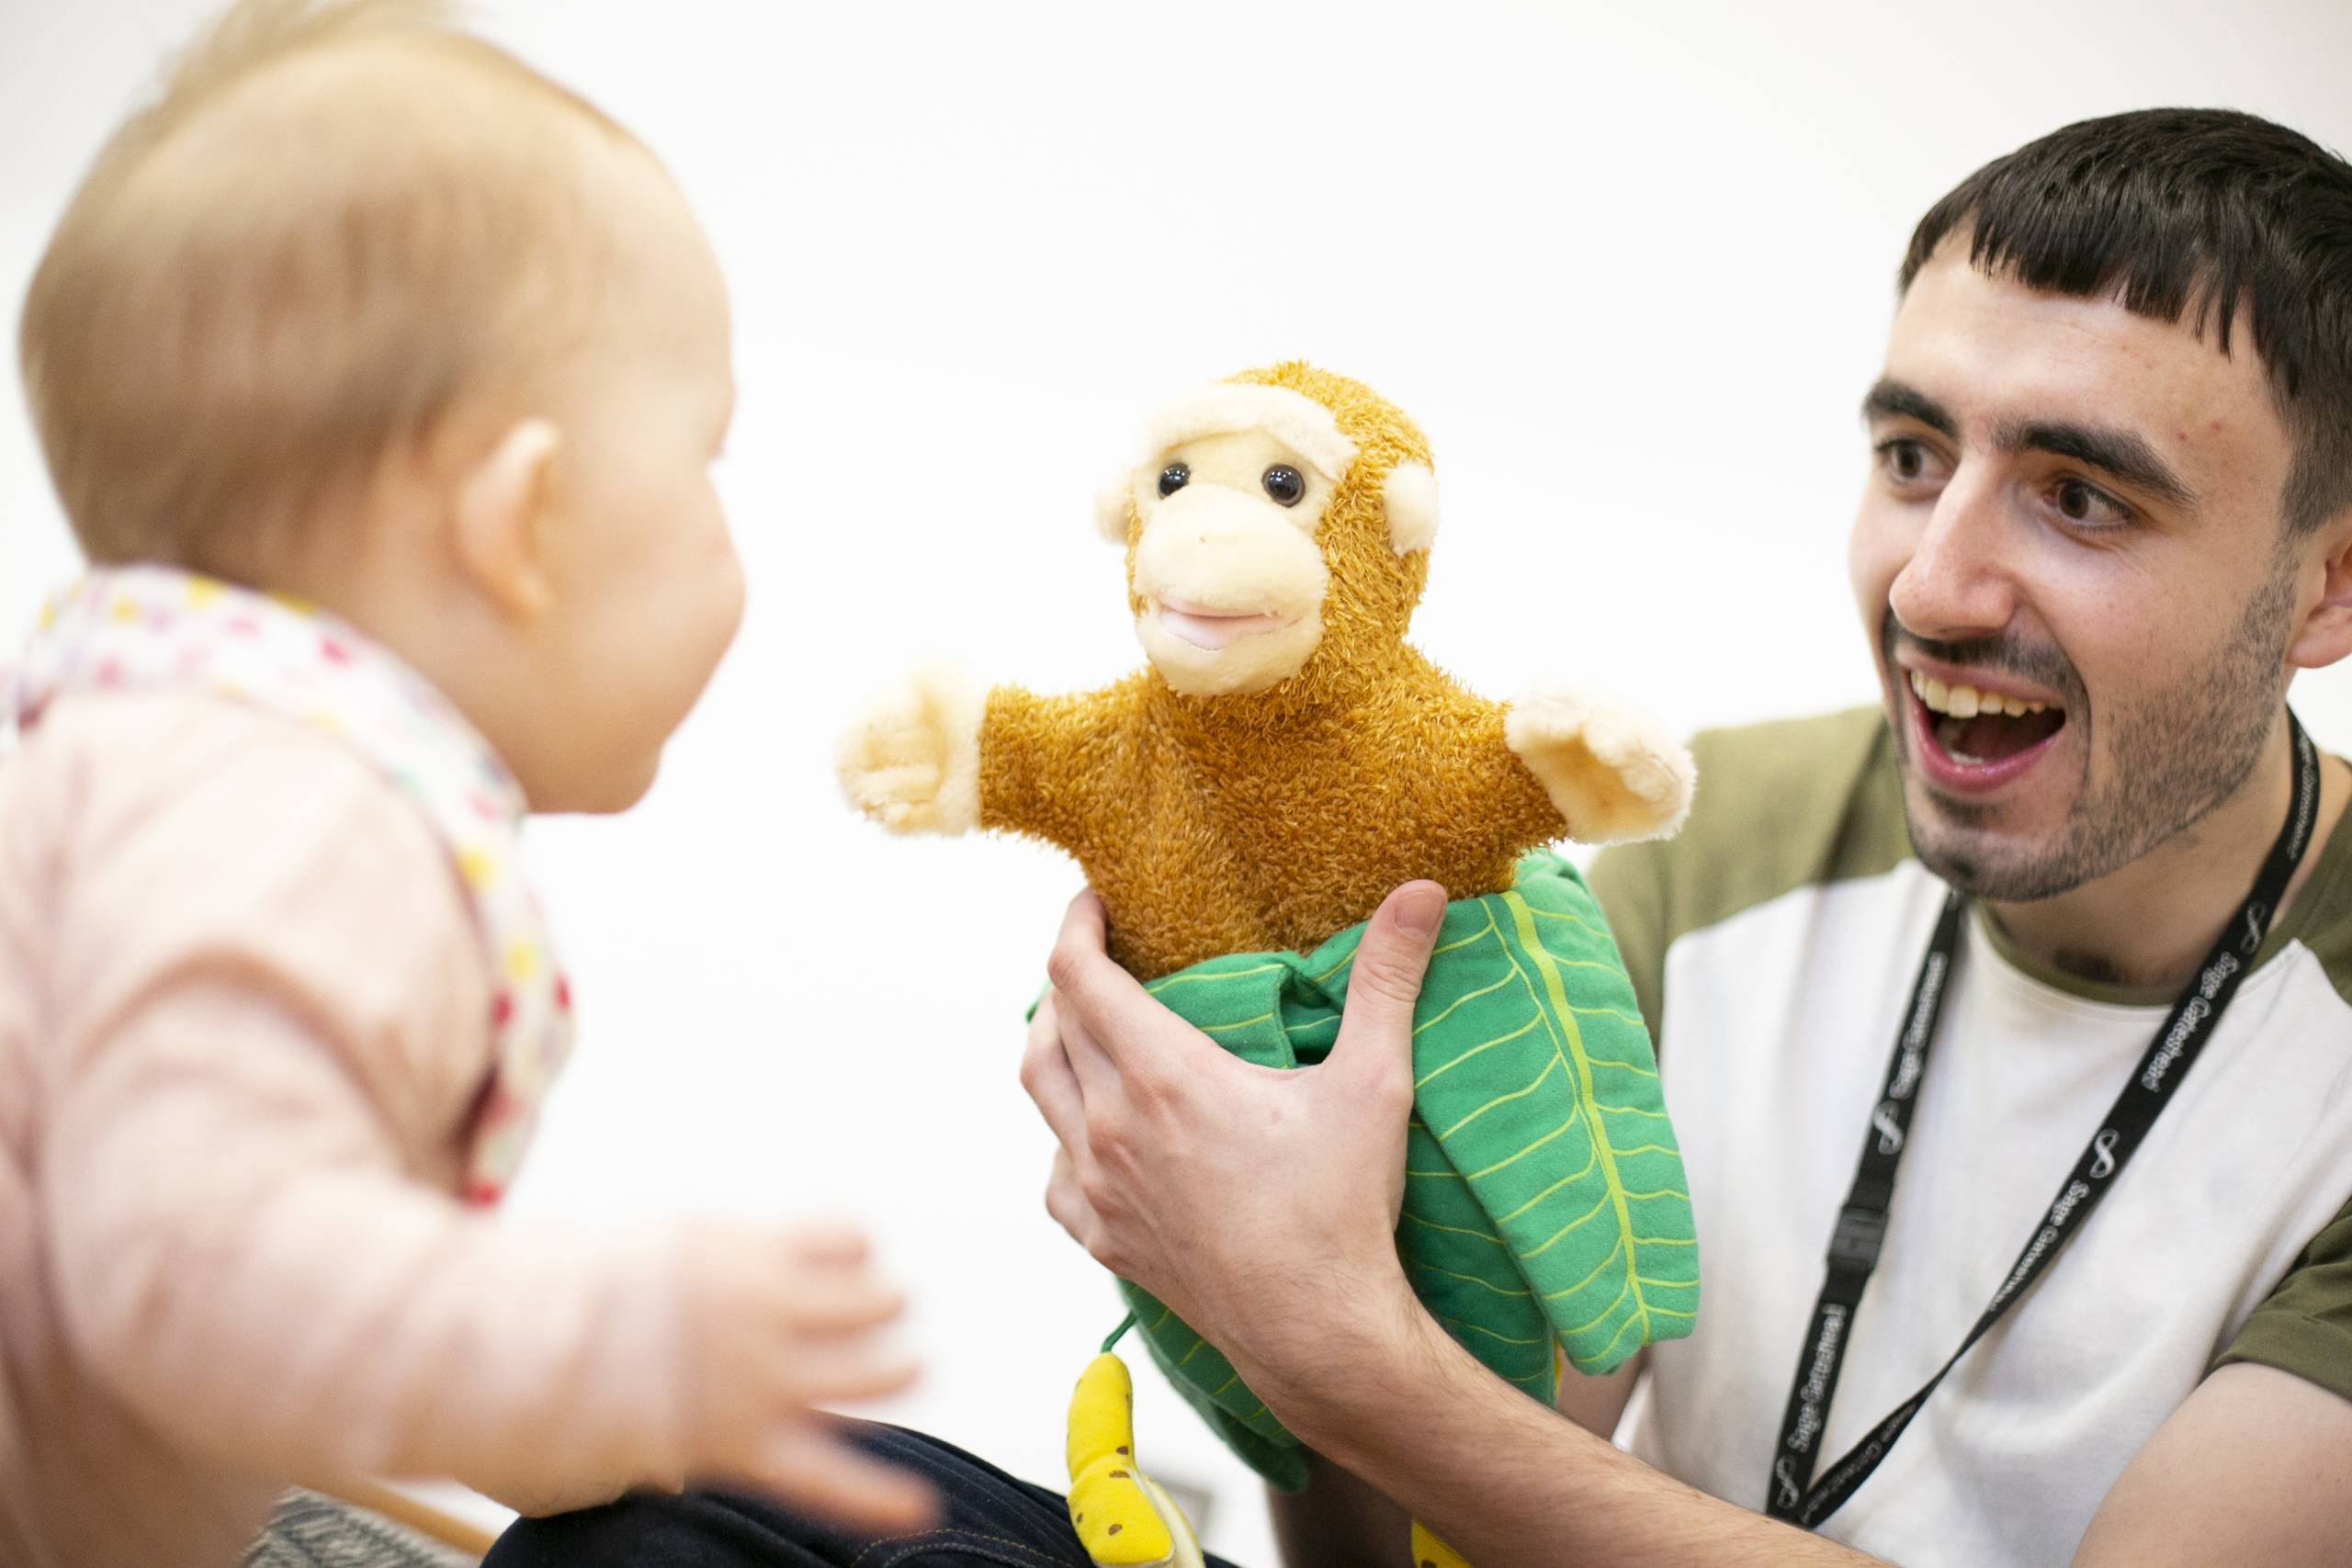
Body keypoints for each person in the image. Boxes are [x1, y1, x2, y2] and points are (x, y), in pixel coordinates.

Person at [489, 107, 2352, 1568]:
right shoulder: (1740, 836)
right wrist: (1259, 1237)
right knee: (692, 1517)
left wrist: (1327, 1339)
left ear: (2327, 585)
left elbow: (1382, 1380)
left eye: (2079, 498)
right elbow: (1415, 1505)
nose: (1932, 584)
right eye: (1910, 456)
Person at [0, 4, 936, 1563]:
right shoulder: (300, 814)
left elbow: (294, 1281)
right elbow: (190, 1268)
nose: (729, 527)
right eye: (707, 461)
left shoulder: (169, 763)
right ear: (524, 524)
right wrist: (610, 1341)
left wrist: (545, 1421)